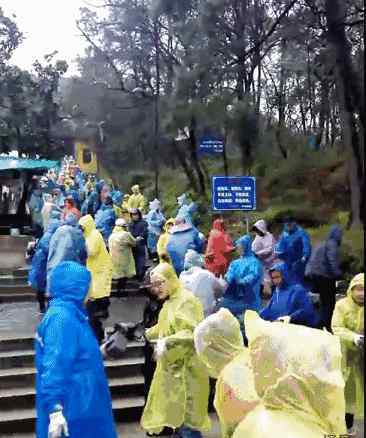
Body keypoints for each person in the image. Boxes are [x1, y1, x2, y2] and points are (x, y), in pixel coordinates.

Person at [35, 261, 117, 438]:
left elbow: (73, 354)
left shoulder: (72, 314)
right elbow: (54, 365)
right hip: (75, 408)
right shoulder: (62, 319)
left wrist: (100, 351)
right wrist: (54, 409)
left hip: (84, 404)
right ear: (76, 287)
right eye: (87, 285)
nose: (90, 290)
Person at [141, 262, 211, 438]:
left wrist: (168, 340)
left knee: (188, 423)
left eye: (160, 283)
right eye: (154, 285)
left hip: (188, 371)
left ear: (171, 279)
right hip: (173, 372)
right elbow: (163, 327)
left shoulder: (186, 301)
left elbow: (193, 332)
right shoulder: (170, 302)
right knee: (177, 420)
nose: (156, 289)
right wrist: (143, 333)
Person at [332, 273, 364, 436]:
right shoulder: (342, 306)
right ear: (351, 289)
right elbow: (336, 327)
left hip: (362, 357)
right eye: (358, 289)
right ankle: (345, 426)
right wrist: (353, 337)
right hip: (345, 355)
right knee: (347, 392)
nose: (361, 293)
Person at [218, 235, 263, 342]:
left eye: (240, 246)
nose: (238, 249)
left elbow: (254, 275)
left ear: (246, 246)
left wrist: (242, 282)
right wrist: (228, 279)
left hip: (249, 297)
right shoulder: (235, 263)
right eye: (237, 247)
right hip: (235, 296)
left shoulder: (254, 262)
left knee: (249, 323)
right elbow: (229, 274)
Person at [79, 214, 113, 344]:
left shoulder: (94, 235)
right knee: (95, 293)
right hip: (95, 269)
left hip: (100, 269)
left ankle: (102, 310)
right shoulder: (88, 235)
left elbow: (91, 251)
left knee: (98, 292)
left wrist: (81, 249)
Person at [305, 225, 343, 332]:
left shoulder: (321, 243)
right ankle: (326, 325)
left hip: (314, 275)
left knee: (321, 301)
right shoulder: (332, 244)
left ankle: (319, 323)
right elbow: (332, 261)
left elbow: (312, 259)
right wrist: (339, 274)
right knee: (329, 302)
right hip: (325, 276)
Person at [260, 262, 319, 328]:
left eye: (277, 277)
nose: (275, 281)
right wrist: (258, 315)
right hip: (282, 327)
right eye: (273, 278)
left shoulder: (298, 290)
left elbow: (307, 309)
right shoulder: (277, 291)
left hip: (300, 329)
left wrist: (290, 317)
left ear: (284, 275)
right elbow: (270, 309)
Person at [29, 212, 62, 313]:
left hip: (40, 265)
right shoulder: (50, 237)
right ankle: (44, 307)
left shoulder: (47, 235)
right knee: (44, 287)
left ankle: (44, 307)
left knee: (42, 286)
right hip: (42, 265)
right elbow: (48, 249)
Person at [47, 214, 87, 295]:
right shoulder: (77, 233)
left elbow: (51, 247)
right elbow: (82, 250)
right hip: (72, 266)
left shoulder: (58, 231)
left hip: (55, 264)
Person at [180, 250, 226, 317]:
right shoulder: (206, 274)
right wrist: (222, 280)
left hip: (187, 317)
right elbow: (221, 291)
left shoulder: (181, 277)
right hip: (206, 316)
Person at [275, 217, 311, 286]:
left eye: (289, 224)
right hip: (288, 259)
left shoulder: (301, 232)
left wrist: (305, 255)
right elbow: (280, 244)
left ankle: (301, 290)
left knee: (297, 276)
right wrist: (278, 252)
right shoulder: (284, 233)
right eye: (286, 225)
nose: (288, 226)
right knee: (284, 273)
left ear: (294, 223)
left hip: (299, 259)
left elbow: (306, 244)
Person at [108, 218, 137, 296]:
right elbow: (134, 243)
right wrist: (138, 239)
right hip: (124, 258)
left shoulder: (111, 235)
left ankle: (118, 291)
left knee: (118, 275)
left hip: (114, 258)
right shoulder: (125, 234)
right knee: (124, 276)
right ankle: (121, 291)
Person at [251, 219, 277, 294]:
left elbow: (269, 249)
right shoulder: (258, 236)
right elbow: (254, 246)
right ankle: (259, 293)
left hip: (271, 261)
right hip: (261, 261)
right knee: (260, 277)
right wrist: (252, 252)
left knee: (273, 277)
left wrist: (258, 253)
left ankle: (275, 293)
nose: (257, 232)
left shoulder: (269, 236)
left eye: (258, 230)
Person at [128, 208, 148, 281]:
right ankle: (135, 274)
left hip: (141, 243)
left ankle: (140, 275)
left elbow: (145, 232)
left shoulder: (143, 223)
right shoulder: (130, 224)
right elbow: (129, 233)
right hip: (133, 244)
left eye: (136, 214)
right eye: (133, 215)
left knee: (141, 260)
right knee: (133, 260)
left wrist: (140, 237)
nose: (135, 216)